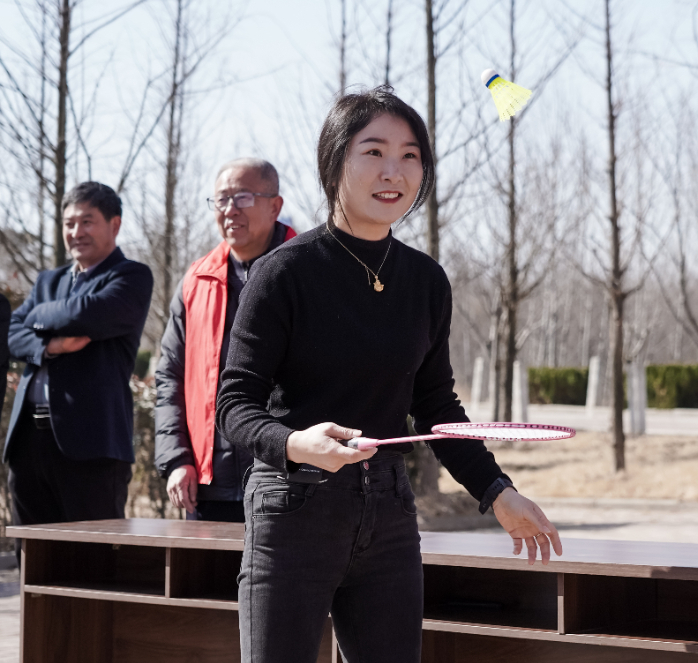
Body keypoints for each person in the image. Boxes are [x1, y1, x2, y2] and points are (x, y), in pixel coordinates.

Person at [216, 86, 562, 663]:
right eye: (373, 151)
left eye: (410, 156)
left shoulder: (426, 281)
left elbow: (438, 407)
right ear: (335, 161)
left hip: (390, 514)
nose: (393, 171)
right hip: (293, 511)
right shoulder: (282, 274)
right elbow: (234, 405)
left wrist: (497, 491)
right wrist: (295, 443)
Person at [154, 158, 296, 523]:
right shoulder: (196, 280)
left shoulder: (309, 270)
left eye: (243, 198)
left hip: (288, 481)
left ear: (275, 205)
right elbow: (170, 375)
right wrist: (176, 459)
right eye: (222, 200)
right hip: (206, 486)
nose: (230, 210)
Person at [5, 182, 154, 526]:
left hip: (90, 446)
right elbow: (10, 332)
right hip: (28, 442)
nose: (76, 232)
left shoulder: (131, 276)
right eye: (69, 223)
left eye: (87, 221)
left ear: (114, 224)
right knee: (30, 556)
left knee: (90, 561)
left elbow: (86, 314)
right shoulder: (47, 281)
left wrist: (35, 315)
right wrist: (48, 346)